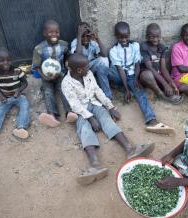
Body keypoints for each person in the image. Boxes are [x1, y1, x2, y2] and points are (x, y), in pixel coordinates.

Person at [62, 53, 155, 185]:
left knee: (107, 119)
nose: (89, 68)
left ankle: (130, 150)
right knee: (84, 129)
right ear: (78, 70)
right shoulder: (66, 83)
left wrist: (110, 107)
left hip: (95, 104)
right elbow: (75, 105)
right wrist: (91, 118)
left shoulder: (87, 74)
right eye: (87, 66)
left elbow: (97, 91)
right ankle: (95, 165)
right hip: (81, 111)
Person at [108, 21, 174, 134]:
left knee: (140, 94)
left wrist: (136, 79)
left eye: (126, 37)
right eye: (120, 37)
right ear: (116, 36)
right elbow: (120, 70)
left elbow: (137, 64)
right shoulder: (113, 50)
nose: (124, 40)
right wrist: (127, 89)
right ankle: (112, 96)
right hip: (119, 75)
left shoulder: (135, 46)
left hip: (132, 75)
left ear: (129, 34)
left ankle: (152, 121)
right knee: (108, 68)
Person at [31, 19, 77, 127]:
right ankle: (52, 115)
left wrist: (67, 66)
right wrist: (44, 77)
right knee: (48, 91)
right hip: (45, 75)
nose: (54, 35)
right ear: (45, 33)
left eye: (56, 32)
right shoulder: (39, 48)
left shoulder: (64, 45)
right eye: (50, 32)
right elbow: (36, 66)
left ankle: (69, 112)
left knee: (64, 89)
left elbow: (67, 56)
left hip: (60, 73)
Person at [139, 23, 181, 104]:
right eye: (152, 37)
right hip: (147, 77)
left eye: (157, 36)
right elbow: (149, 67)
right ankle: (161, 94)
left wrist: (171, 82)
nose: (155, 39)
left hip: (158, 76)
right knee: (147, 74)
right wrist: (165, 84)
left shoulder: (162, 47)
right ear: (147, 37)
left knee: (172, 86)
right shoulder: (144, 47)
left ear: (160, 36)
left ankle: (157, 90)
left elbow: (163, 68)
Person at [70, 22, 112, 99]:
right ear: (78, 36)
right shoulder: (75, 42)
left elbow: (105, 54)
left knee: (104, 59)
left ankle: (107, 95)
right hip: (80, 71)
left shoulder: (92, 43)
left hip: (90, 68)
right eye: (83, 36)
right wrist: (79, 36)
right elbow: (77, 57)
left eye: (88, 36)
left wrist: (97, 38)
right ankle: (95, 82)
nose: (85, 38)